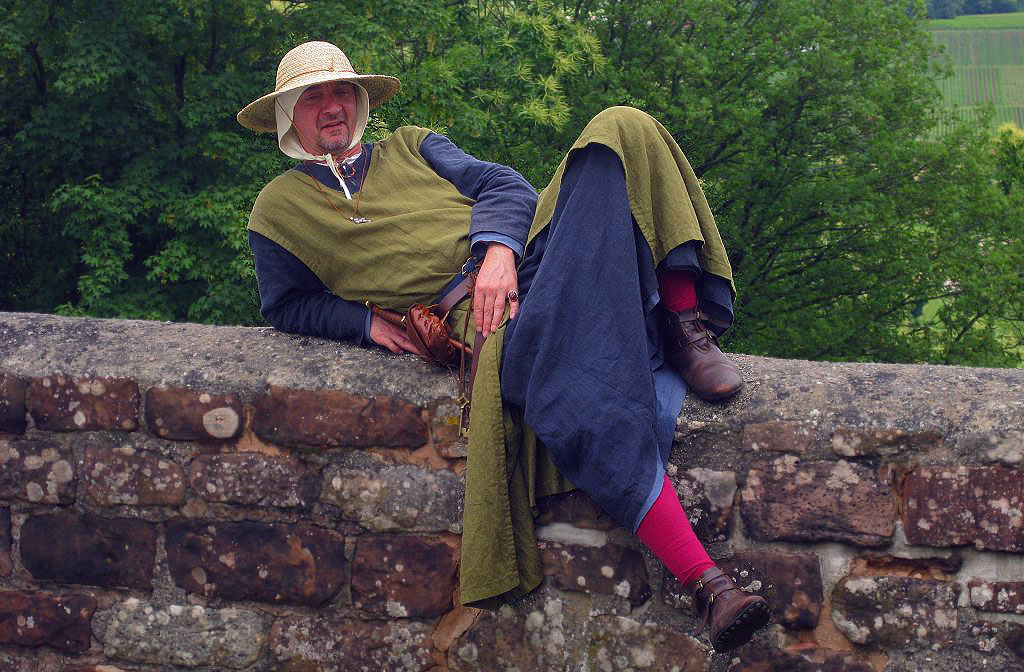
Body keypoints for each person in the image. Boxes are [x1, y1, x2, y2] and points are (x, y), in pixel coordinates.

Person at [239, 40, 771, 652]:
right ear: (290, 115)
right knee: (576, 381)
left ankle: (682, 324)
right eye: (314, 97)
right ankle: (707, 583)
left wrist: (497, 251)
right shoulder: (277, 211)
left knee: (619, 127)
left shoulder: (413, 144)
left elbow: (506, 186)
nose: (332, 106)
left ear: (358, 101)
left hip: (527, 268)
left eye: (341, 92)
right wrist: (361, 323)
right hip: (484, 324)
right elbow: (285, 304)